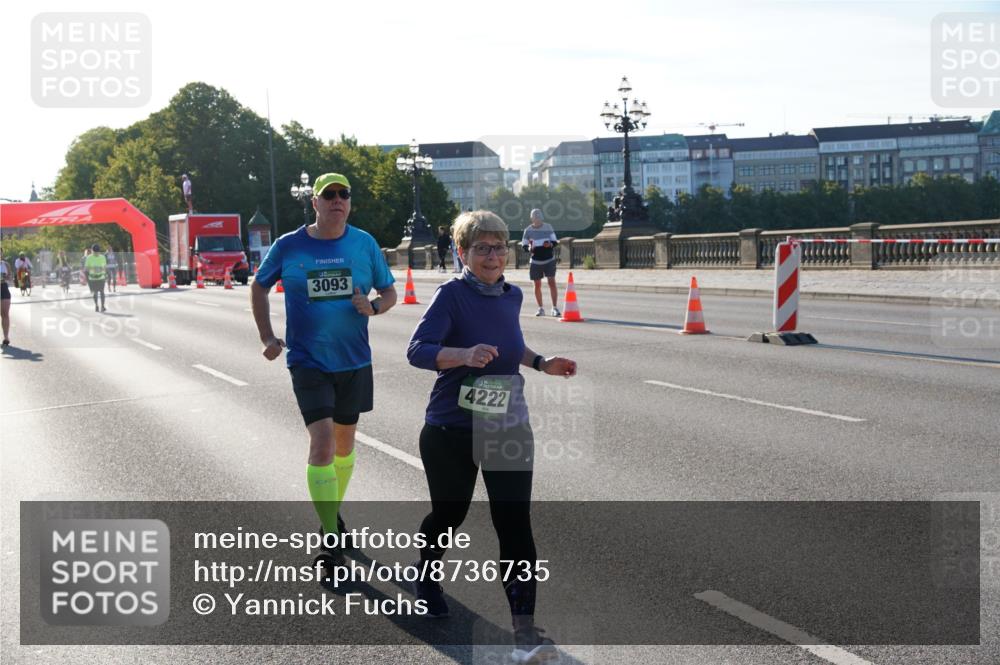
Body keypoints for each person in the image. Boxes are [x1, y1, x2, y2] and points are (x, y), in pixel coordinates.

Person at [407, 210, 577, 664]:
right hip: (451, 429)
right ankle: (425, 575)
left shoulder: (512, 294)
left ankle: (525, 627)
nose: (493, 255)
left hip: (507, 424)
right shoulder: (450, 296)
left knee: (515, 525)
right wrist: (462, 353)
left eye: (500, 247)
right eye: (481, 247)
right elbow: (416, 351)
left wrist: (542, 363)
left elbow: (510, 343)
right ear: (462, 252)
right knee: (449, 515)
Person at [251, 172, 397, 566]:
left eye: (343, 194)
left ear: (349, 201)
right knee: (323, 444)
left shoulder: (364, 243)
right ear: (314, 202)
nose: (337, 200)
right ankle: (331, 537)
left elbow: (389, 292)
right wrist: (267, 337)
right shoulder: (289, 246)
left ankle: (332, 515)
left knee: (346, 448)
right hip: (308, 361)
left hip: (354, 361)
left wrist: (376, 307)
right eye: (328, 195)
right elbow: (258, 285)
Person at [521, 209, 560, 317]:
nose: (537, 220)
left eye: (539, 218)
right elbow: (524, 246)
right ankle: (540, 308)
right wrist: (529, 248)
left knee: (551, 282)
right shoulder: (527, 230)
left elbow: (555, 242)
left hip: (549, 259)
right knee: (537, 285)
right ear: (532, 218)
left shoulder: (548, 227)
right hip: (535, 261)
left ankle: (555, 308)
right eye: (535, 218)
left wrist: (550, 244)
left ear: (541, 218)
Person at [84, 243, 108, 312]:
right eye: (95, 252)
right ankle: (99, 306)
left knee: (99, 292)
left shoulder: (91, 257)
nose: (96, 253)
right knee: (99, 292)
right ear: (92, 251)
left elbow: (86, 269)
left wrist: (93, 269)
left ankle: (100, 306)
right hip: (96, 278)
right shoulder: (92, 257)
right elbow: (86, 269)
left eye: (97, 252)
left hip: (97, 277)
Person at [1, 249, 11, 346]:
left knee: (5, 314)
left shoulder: (6, 265)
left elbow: (10, 277)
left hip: (3, 288)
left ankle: (6, 337)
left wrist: (5, 277)